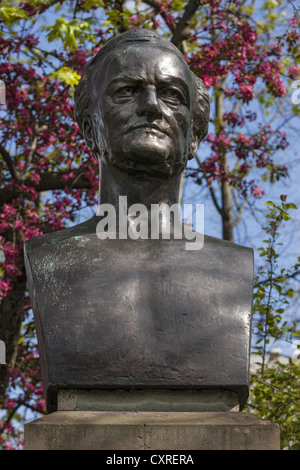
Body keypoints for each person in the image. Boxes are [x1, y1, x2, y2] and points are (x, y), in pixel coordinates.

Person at [24, 29, 253, 413]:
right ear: (88, 124)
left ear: (194, 134)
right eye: (126, 91)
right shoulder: (48, 261)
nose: (151, 106)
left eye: (171, 94)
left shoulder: (235, 267)